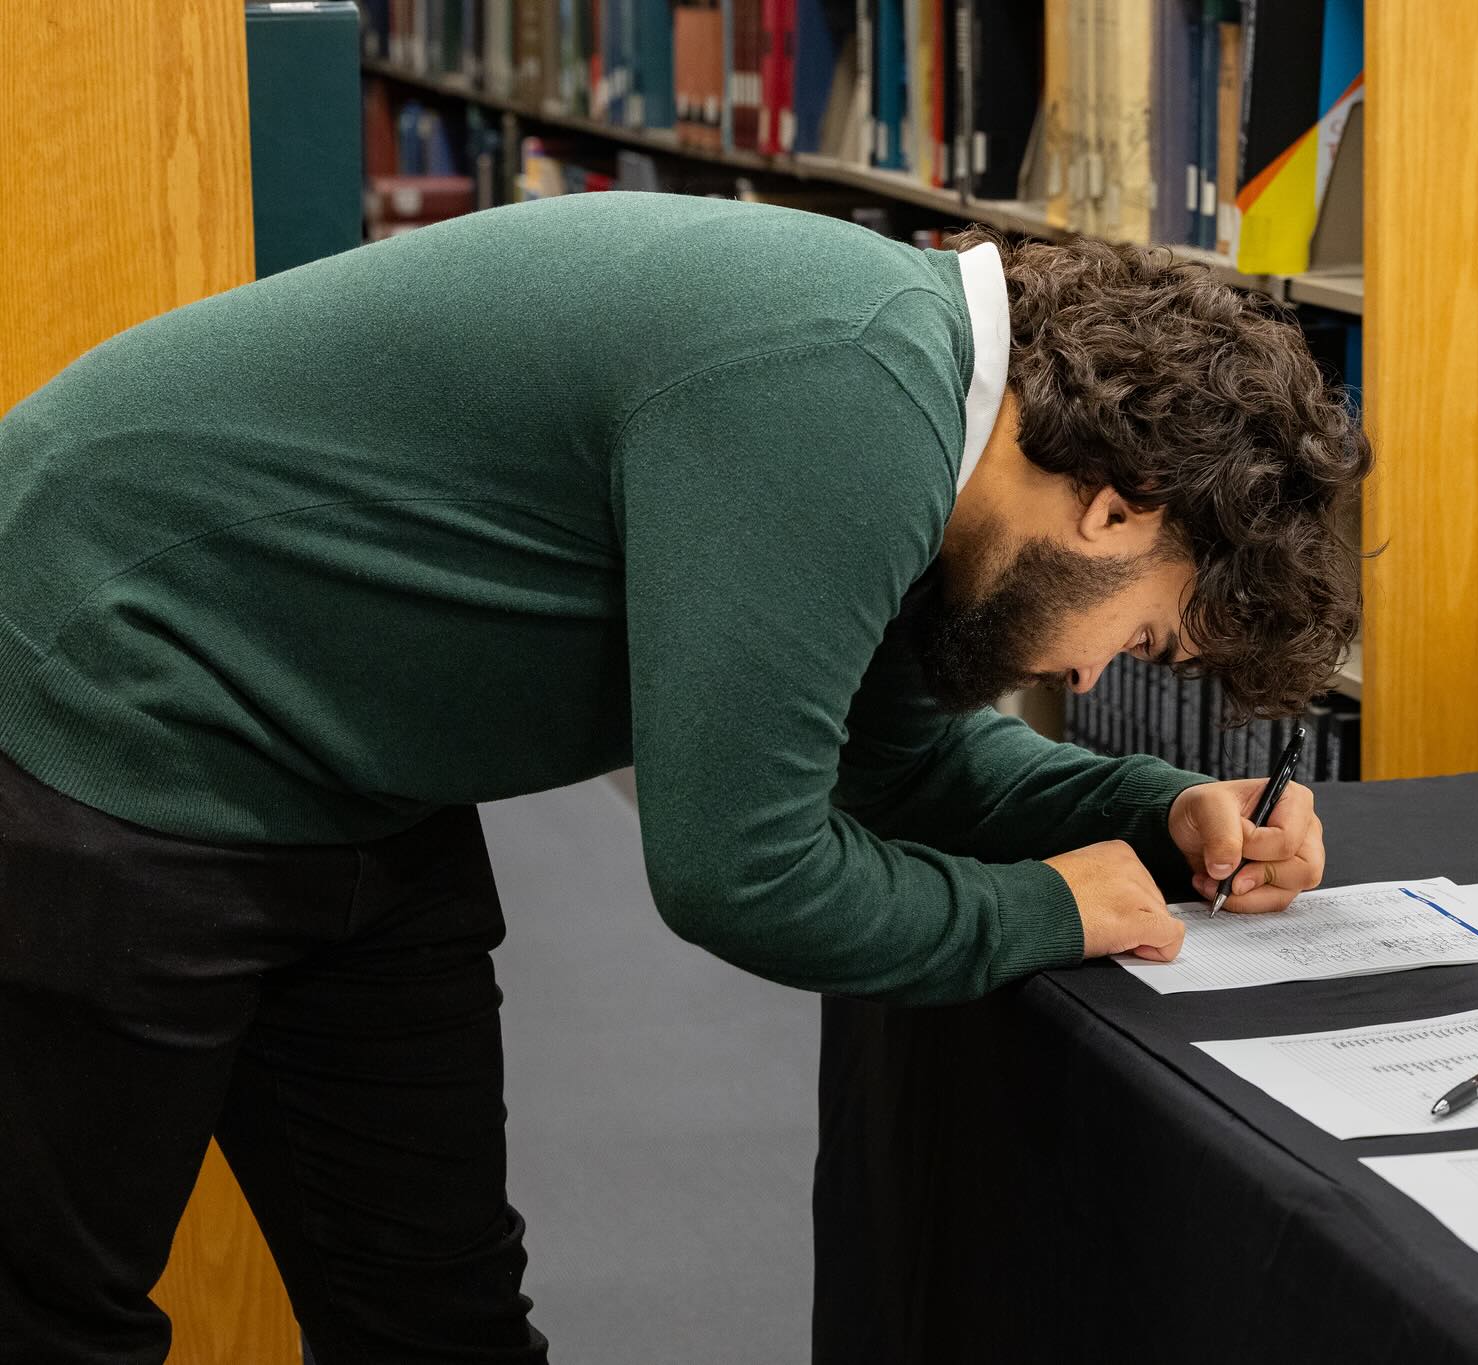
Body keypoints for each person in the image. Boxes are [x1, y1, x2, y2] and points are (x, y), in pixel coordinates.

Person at [0, 194, 1366, 1362]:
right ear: (1115, 505)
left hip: (348, 754)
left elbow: (895, 761)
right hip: (112, 688)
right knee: (57, 1317)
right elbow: (742, 872)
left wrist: (1149, 814)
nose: (1092, 674)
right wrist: (1046, 912)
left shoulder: (935, 427)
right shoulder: (843, 400)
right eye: (1143, 633)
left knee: (436, 1314)